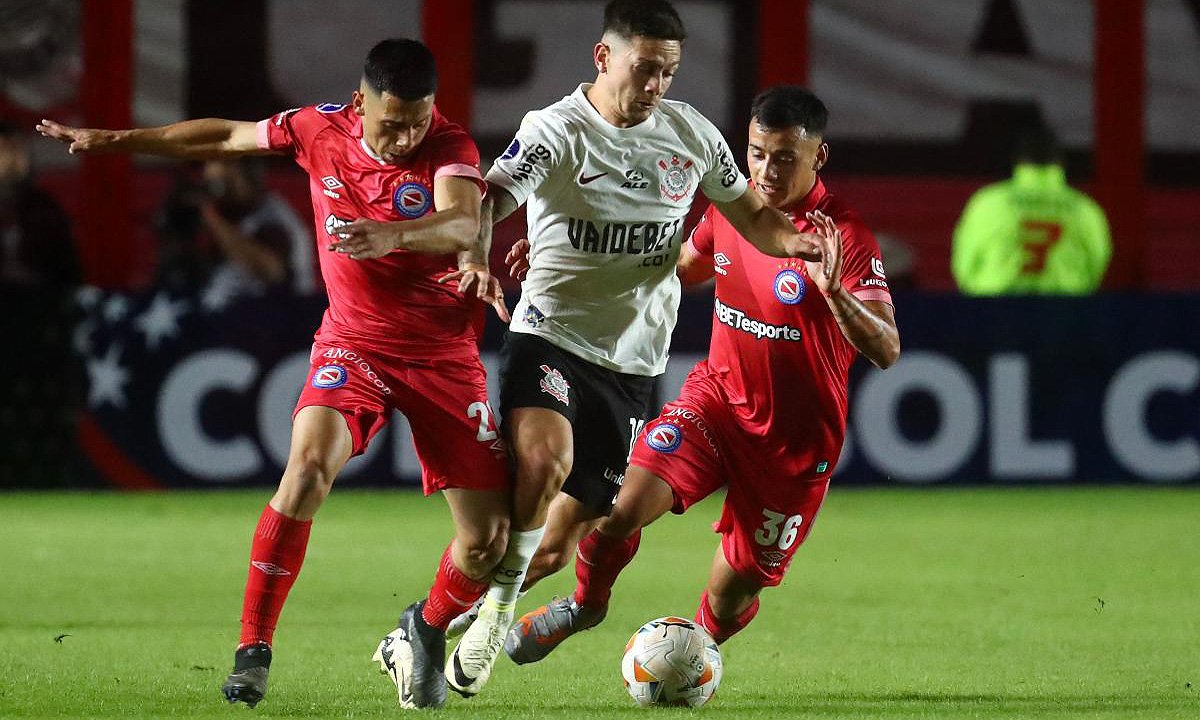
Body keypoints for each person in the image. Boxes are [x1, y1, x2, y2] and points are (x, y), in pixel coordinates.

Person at [38, 38, 512, 710]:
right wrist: (114, 138)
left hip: (442, 357)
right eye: (391, 122)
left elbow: (464, 221)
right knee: (309, 466)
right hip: (354, 346)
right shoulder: (318, 128)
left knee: (487, 539)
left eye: (417, 120)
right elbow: (228, 137)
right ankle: (254, 647)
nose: (406, 136)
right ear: (359, 103)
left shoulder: (450, 146)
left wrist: (392, 237)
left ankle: (423, 629)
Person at [442, 0, 824, 698]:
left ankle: (448, 615)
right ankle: (474, 614)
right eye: (645, 69)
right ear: (603, 56)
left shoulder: (691, 136)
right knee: (545, 463)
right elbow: (489, 199)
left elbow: (752, 221)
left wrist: (791, 242)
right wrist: (475, 249)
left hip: (635, 365)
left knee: (562, 539)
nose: (655, 85)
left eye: (668, 73)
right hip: (550, 334)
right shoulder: (555, 130)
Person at [502, 86, 900, 663]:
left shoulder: (844, 236)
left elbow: (886, 348)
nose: (765, 169)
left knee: (736, 587)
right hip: (713, 406)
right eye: (757, 152)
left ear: (820, 157)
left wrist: (836, 294)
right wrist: (563, 259)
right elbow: (667, 269)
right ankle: (586, 604)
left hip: (793, 445)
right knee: (616, 511)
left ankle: (692, 653)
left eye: (785, 157)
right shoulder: (732, 211)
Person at [0, 121, 81, 488]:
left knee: (42, 407)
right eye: (6, 151)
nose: (15, 160)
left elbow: (68, 266)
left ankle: (47, 475)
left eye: (18, 151)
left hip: (37, 319)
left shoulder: (41, 206)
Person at [951, 127, 1111, 294]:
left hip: (998, 309)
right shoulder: (1084, 208)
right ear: (1061, 164)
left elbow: (964, 264)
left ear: (1017, 162)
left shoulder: (989, 202)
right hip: (1063, 310)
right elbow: (1096, 266)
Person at [156, 157, 315, 306]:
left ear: (241, 175)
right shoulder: (230, 213)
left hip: (279, 317)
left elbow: (272, 273)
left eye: (218, 182)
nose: (207, 178)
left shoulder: (274, 217)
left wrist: (211, 217)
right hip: (232, 317)